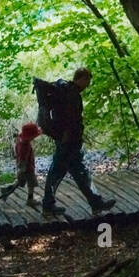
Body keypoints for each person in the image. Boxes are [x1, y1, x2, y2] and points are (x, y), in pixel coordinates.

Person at [35, 67, 115, 215]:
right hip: (69, 142)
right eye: (88, 80)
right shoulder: (72, 94)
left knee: (77, 172)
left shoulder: (67, 91)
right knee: (61, 172)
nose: (88, 84)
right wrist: (69, 138)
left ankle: (95, 203)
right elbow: (71, 120)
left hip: (66, 140)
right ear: (82, 78)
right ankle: (48, 205)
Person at [0, 122, 42, 208]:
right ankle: (30, 199)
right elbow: (23, 159)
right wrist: (21, 170)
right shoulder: (25, 146)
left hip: (25, 167)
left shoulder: (20, 141)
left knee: (20, 182)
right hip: (27, 169)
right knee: (32, 183)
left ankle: (6, 190)